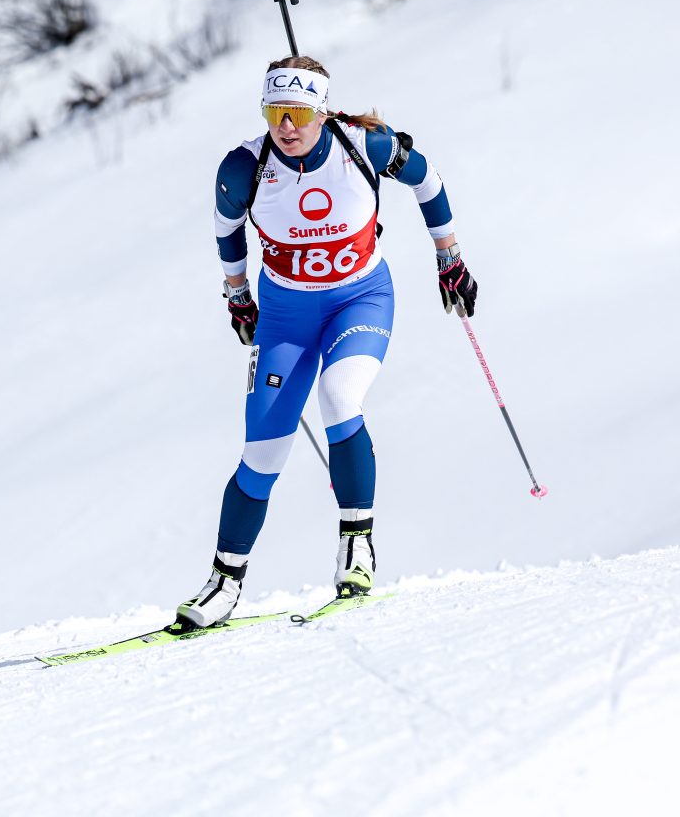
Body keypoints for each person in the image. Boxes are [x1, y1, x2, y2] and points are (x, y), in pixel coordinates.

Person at [175, 54, 478, 630]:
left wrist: (450, 256)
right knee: (262, 453)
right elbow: (225, 229)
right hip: (287, 318)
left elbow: (428, 180)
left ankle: (356, 548)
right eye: (274, 112)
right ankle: (224, 583)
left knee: (340, 399)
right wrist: (237, 293)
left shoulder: (364, 146)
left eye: (298, 113)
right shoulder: (244, 168)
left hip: (358, 301)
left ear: (322, 110)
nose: (286, 126)